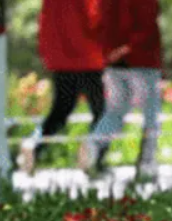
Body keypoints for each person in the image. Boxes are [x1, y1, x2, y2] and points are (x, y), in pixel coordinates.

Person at [18, 0, 106, 175]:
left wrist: (48, 54)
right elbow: (93, 18)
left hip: (61, 59)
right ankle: (93, 156)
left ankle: (33, 143)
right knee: (101, 112)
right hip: (88, 57)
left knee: (60, 111)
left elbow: (44, 22)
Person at [78, 0, 163, 180]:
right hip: (142, 60)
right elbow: (147, 23)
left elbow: (98, 23)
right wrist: (127, 48)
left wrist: (109, 51)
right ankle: (147, 164)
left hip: (114, 63)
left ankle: (94, 143)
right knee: (151, 114)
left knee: (115, 112)